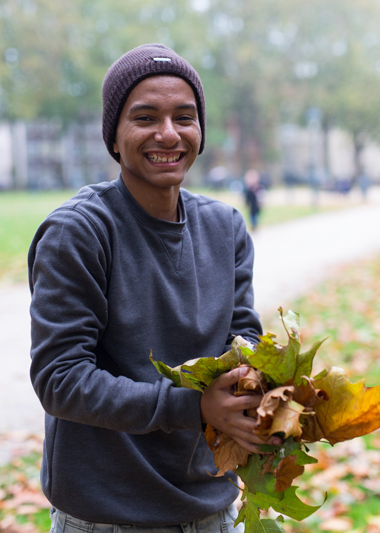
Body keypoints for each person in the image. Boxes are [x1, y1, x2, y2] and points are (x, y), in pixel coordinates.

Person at [27, 44, 276, 533]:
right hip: (110, 514)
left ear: (200, 133)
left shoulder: (226, 228)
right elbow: (60, 378)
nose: (168, 133)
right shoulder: (78, 233)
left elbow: (242, 341)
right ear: (114, 139)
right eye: (145, 117)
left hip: (213, 507)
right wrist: (194, 406)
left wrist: (269, 392)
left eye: (184, 117)